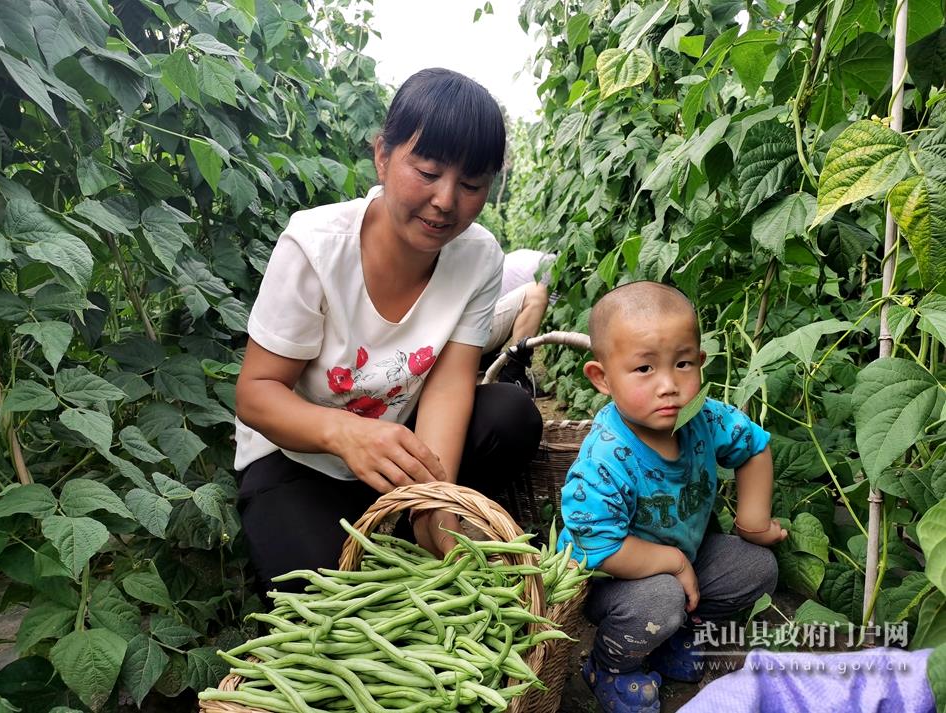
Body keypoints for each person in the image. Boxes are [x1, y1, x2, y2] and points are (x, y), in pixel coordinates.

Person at [234, 68, 543, 595]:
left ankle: (410, 524)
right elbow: (256, 395)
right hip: (299, 458)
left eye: (471, 185)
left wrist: (433, 500)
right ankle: (362, 530)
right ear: (382, 154)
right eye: (426, 171)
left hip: (401, 448)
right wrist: (344, 433)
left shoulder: (479, 258)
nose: (447, 200)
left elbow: (448, 386)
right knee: (324, 602)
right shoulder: (315, 247)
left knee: (510, 416)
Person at [558, 281, 786, 713]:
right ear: (602, 378)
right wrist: (675, 563)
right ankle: (610, 666)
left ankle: (678, 635)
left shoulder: (702, 417)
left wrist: (753, 522)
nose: (669, 385)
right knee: (659, 599)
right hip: (609, 580)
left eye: (683, 363)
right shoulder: (606, 456)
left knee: (756, 568)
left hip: (683, 556)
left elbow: (753, 446)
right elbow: (599, 547)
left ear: (700, 361)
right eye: (644, 369)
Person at [481, 249, 555, 394]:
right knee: (537, 295)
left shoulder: (529, 258)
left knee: (514, 309)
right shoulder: (549, 267)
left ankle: (486, 360)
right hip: (472, 336)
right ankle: (513, 375)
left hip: (460, 336)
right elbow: (562, 305)